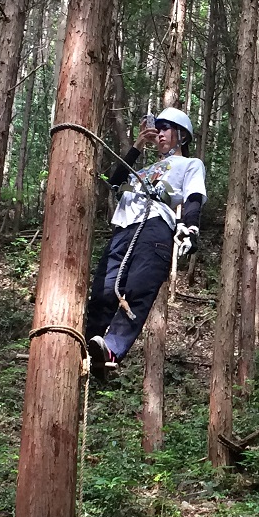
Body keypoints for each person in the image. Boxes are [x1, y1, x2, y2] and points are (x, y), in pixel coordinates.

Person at [85, 107, 206, 373]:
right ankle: (87, 348)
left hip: (155, 228)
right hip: (124, 227)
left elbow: (194, 196)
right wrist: (139, 143)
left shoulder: (189, 164)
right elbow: (114, 182)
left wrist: (190, 227)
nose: (160, 134)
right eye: (158, 128)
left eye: (166, 129)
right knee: (103, 291)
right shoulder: (143, 170)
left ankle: (112, 349)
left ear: (181, 136)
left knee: (139, 289)